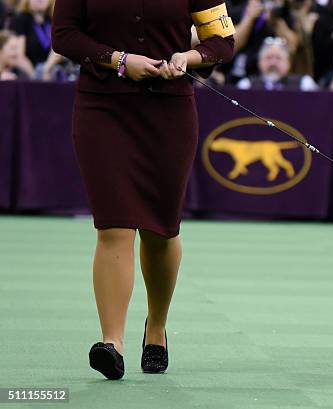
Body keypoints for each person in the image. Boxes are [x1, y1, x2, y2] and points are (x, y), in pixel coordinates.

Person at [52, 0, 234, 380]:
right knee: (114, 224)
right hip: (101, 108)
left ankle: (156, 327)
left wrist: (190, 55)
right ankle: (112, 343)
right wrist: (118, 59)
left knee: (161, 228)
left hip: (170, 111)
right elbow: (64, 36)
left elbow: (221, 40)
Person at [236, 36, 317, 90]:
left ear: (288, 63)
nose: (273, 63)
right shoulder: (246, 85)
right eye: (268, 58)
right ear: (259, 62)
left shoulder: (304, 84)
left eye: (278, 58)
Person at [10, 0, 55, 78]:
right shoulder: (21, 19)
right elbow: (19, 55)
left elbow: (57, 52)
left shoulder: (51, 20)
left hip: (49, 71)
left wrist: (47, 69)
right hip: (27, 73)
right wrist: (35, 77)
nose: (40, 0)